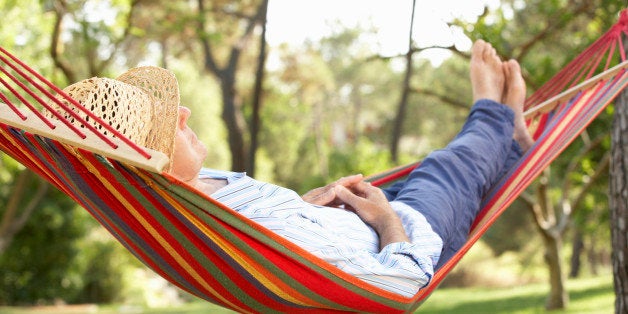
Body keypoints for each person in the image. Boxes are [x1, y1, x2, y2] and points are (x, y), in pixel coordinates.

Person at [56, 40, 534, 297]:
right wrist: (387, 218)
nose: (183, 115)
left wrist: (308, 204)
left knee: (447, 170)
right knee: (447, 168)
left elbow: (278, 235)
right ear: (149, 162)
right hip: (410, 235)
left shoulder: (203, 200)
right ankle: (492, 111)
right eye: (165, 126)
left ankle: (512, 142)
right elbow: (401, 286)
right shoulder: (212, 224)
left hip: (352, 217)